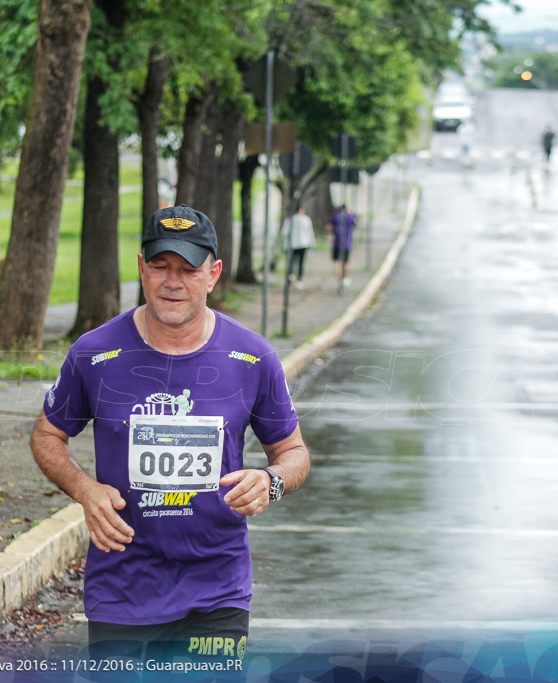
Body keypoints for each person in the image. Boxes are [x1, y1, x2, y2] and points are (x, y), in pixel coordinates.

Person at [30, 204, 310, 663]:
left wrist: (270, 481)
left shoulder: (253, 357)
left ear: (213, 274)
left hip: (217, 587)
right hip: (121, 588)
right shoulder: (95, 353)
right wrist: (85, 490)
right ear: (141, 267)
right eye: (159, 266)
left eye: (188, 269)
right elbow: (47, 435)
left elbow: (293, 452)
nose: (172, 281)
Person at [282, 205, 316, 289]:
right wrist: (312, 244)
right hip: (303, 244)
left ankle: (290, 277)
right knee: (301, 263)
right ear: (300, 210)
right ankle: (299, 280)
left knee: (291, 262)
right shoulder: (306, 219)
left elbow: (284, 232)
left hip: (292, 244)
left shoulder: (289, 219)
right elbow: (310, 232)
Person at [326, 204, 358, 292]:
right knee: (346, 263)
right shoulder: (349, 217)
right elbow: (356, 223)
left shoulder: (335, 217)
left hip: (336, 243)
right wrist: (351, 214)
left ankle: (338, 281)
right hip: (347, 244)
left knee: (337, 263)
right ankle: (345, 279)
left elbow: (328, 227)